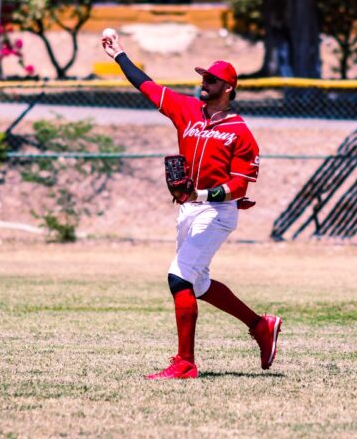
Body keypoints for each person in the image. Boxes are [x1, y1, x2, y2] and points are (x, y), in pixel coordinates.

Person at [101, 29, 282, 380]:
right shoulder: (187, 109)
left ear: (228, 88)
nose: (205, 82)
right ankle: (261, 326)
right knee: (197, 285)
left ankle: (185, 363)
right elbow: (148, 86)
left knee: (179, 277)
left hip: (215, 213)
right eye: (204, 77)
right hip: (188, 209)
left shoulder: (241, 132)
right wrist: (119, 54)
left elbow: (238, 186)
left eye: (212, 79)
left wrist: (199, 195)